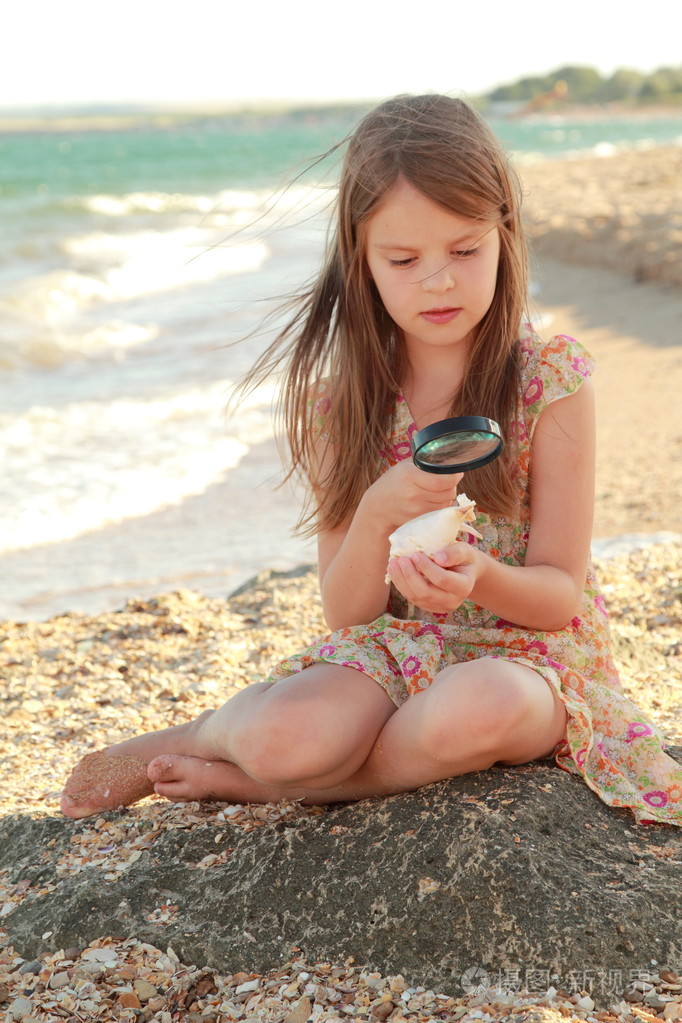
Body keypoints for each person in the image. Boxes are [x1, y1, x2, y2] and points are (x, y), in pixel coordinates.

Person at [61, 94, 681, 826]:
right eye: (404, 259)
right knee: (284, 735)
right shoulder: (343, 406)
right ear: (362, 259)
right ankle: (202, 734)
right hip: (395, 649)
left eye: (464, 249)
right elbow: (347, 613)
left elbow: (558, 596)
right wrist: (381, 511)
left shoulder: (549, 380)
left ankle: (282, 787)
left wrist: (479, 576)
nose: (439, 280)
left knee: (480, 707)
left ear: (504, 234)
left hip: (529, 660)